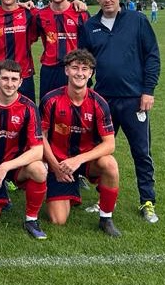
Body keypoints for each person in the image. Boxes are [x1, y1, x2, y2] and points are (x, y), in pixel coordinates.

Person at [79, 0, 161, 223]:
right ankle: (102, 199)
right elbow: (84, 62)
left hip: (135, 100)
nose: (107, 0)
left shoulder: (137, 20)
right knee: (100, 155)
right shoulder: (90, 26)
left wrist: (148, 90)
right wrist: (88, 92)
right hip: (103, 101)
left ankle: (147, 201)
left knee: (141, 152)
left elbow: (152, 56)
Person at [40, 49, 122, 237]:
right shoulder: (50, 100)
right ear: (66, 70)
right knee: (58, 220)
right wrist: (55, 166)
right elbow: (40, 137)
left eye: (85, 69)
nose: (80, 73)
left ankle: (106, 218)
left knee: (110, 163)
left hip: (85, 163)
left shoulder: (99, 103)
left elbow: (110, 144)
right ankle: (69, 189)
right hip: (59, 162)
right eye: (75, 67)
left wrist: (78, 160)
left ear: (91, 73)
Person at [0, 60, 49, 239]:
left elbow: (37, 151)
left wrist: (6, 166)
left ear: (21, 82)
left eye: (14, 79)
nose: (9, 83)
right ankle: (1, 195)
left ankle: (31, 219)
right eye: (5, 78)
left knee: (39, 168)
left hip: (15, 169)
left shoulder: (28, 107)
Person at [35, 0, 90, 102]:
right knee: (47, 108)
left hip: (74, 69)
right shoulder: (40, 15)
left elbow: (89, 44)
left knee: (76, 108)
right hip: (49, 69)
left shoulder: (81, 13)